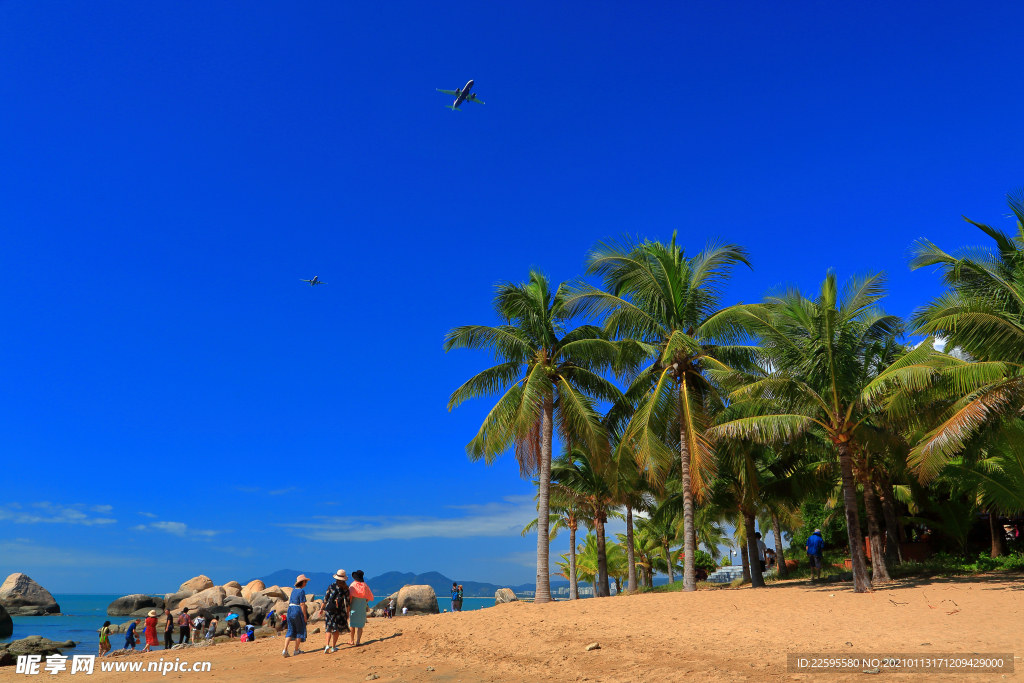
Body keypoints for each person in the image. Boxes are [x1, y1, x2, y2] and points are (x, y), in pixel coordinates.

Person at [321, 569, 350, 653]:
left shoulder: (331, 586)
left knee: (329, 628)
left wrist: (321, 608)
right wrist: (347, 613)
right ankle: (333, 647)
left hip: (329, 610)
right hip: (339, 611)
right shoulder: (345, 588)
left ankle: (327, 645)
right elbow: (347, 602)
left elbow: (326, 598)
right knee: (336, 628)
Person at [282, 574, 310, 657]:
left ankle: (285, 650)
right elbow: (302, 604)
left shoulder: (293, 591)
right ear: (302, 582)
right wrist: (305, 616)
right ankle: (296, 650)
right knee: (299, 630)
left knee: (290, 630)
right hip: (297, 610)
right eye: (305, 582)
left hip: (290, 610)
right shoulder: (301, 591)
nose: (306, 583)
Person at [347, 570, 373, 646]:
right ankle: (358, 641)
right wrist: (364, 602)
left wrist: (348, 606)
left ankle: (352, 640)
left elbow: (350, 597)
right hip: (362, 605)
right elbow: (369, 597)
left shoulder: (353, 585)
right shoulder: (365, 585)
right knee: (360, 625)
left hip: (354, 605)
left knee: (352, 624)